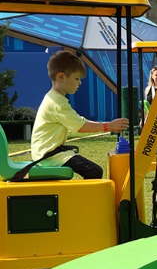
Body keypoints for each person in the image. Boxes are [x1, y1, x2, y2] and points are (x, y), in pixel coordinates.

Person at [31, 50, 128, 180]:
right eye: (77, 78)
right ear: (61, 77)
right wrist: (109, 126)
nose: (80, 83)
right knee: (94, 171)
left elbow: (78, 121)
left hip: (48, 153)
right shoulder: (57, 102)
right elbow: (81, 126)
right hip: (49, 156)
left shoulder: (55, 98)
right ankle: (87, 201)